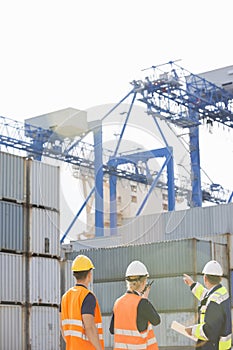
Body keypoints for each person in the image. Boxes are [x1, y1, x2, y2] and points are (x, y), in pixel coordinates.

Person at [109, 260, 161, 349]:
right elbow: (156, 320)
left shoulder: (118, 302)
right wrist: (145, 300)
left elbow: (112, 330)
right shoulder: (142, 303)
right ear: (143, 282)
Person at [183, 260, 232, 350]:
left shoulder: (214, 302)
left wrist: (192, 330)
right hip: (223, 346)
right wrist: (192, 284)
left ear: (205, 278)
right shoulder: (222, 292)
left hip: (213, 346)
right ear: (220, 278)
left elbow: (209, 331)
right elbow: (206, 296)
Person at [60, 254, 104, 350]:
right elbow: (90, 328)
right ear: (89, 275)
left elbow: (63, 328)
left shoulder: (65, 297)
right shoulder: (87, 296)